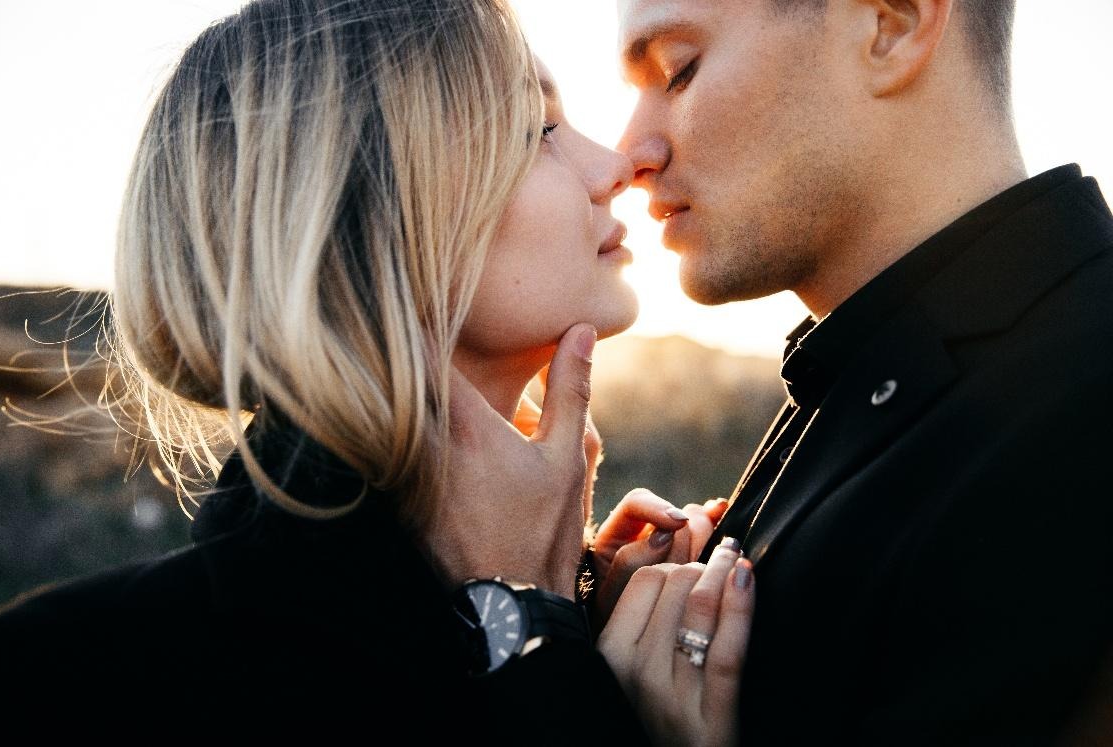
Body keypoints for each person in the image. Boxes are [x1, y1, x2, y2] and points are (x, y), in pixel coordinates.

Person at [0, 1, 753, 742]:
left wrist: (566, 611)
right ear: (364, 221)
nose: (616, 163)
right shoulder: (65, 683)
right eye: (535, 128)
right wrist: (529, 641)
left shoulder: (590, 615)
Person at [451, 0, 1113, 744]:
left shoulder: (1080, 416)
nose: (630, 152)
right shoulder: (861, 376)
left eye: (679, 70)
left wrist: (527, 636)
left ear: (889, 24)